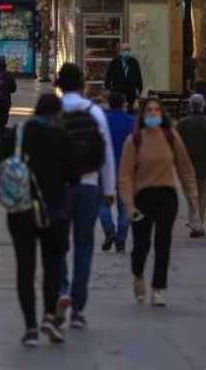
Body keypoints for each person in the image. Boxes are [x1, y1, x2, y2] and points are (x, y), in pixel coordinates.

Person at [0, 94, 77, 347]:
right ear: (57, 114)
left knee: (25, 267)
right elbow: (73, 175)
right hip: (54, 211)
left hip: (20, 210)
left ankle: (30, 327)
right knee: (52, 265)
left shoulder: (18, 133)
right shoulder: (62, 137)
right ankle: (50, 317)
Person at [120, 98, 200, 307]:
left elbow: (185, 167)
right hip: (142, 197)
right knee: (141, 245)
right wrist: (129, 204)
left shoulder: (170, 136)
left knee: (163, 242)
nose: (154, 113)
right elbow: (126, 175)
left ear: (162, 114)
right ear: (143, 114)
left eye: (157, 110)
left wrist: (192, 197)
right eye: (149, 110)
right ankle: (138, 276)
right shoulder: (134, 140)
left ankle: (159, 288)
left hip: (167, 196)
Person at [55, 63, 116, 329]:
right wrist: (110, 189)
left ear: (58, 84)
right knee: (84, 245)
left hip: (57, 187)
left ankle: (61, 291)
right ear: (81, 84)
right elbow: (107, 156)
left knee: (57, 245)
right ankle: (78, 308)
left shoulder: (52, 110)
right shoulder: (94, 112)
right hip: (88, 186)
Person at [175, 94, 206, 237]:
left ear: (190, 106)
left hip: (186, 168)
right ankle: (198, 223)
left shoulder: (181, 124)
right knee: (202, 198)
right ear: (203, 106)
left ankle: (195, 223)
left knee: (191, 197)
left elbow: (176, 146)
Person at [100, 91, 134, 253]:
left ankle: (109, 232)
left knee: (102, 203)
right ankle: (121, 238)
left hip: (105, 167)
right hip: (126, 169)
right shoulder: (131, 122)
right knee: (124, 205)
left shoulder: (102, 120)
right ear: (123, 104)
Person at [104, 42, 143, 112]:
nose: (126, 52)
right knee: (117, 110)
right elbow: (108, 76)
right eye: (124, 50)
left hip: (131, 92)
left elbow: (138, 76)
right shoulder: (114, 62)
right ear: (121, 51)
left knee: (130, 111)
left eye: (128, 50)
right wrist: (107, 88)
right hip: (117, 91)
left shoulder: (134, 62)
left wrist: (139, 89)